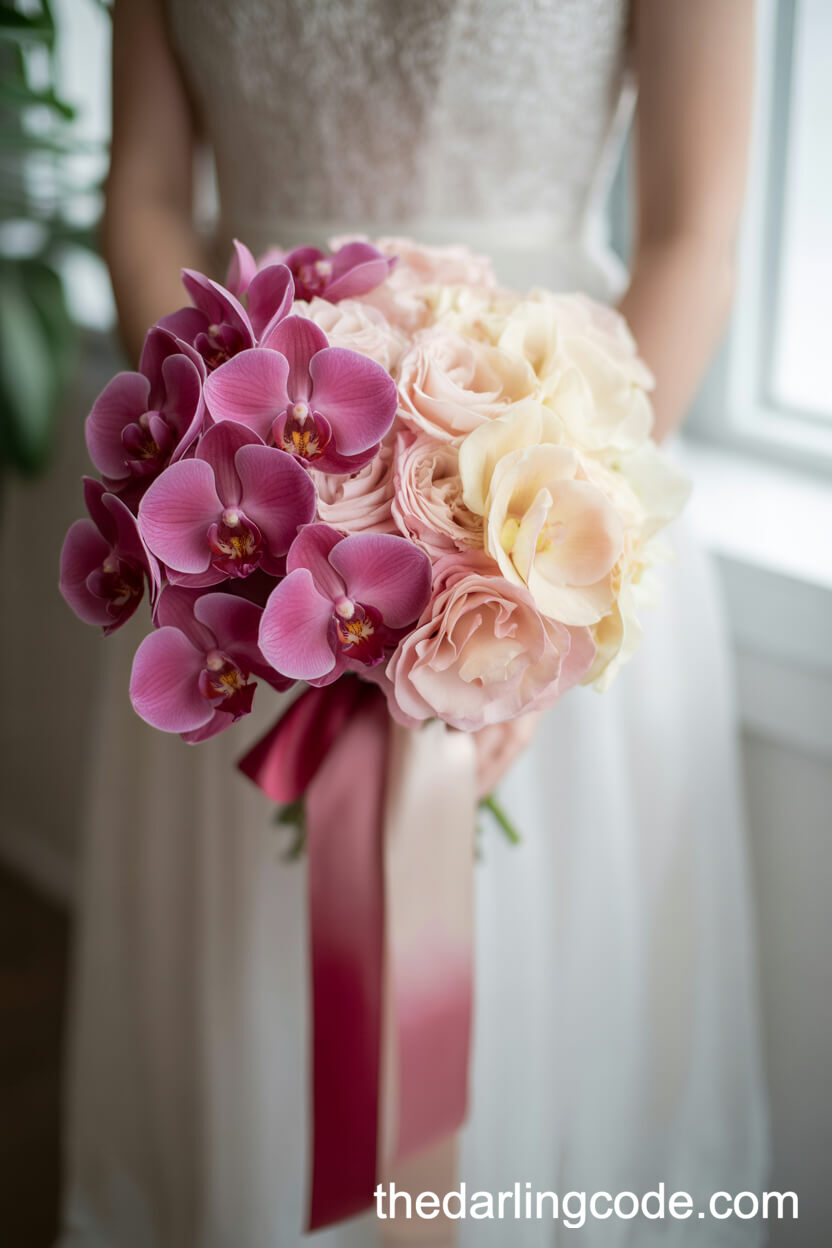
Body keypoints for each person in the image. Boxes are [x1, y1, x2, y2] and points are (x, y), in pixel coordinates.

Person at [61, 2, 768, 1245]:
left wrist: (528, 557)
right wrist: (226, 476)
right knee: (241, 1009)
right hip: (243, 530)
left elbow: (693, 235)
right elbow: (145, 199)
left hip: (552, 494)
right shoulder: (234, 506)